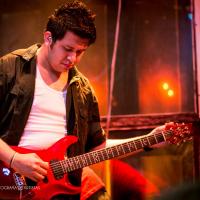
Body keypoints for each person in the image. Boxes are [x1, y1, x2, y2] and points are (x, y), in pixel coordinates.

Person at [0, 1, 168, 199]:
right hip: (9, 180)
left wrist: (148, 140)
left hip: (58, 189)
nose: (73, 59)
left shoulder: (83, 89)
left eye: (80, 52)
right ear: (48, 37)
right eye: (68, 49)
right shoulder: (10, 67)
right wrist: (13, 159)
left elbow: (97, 148)